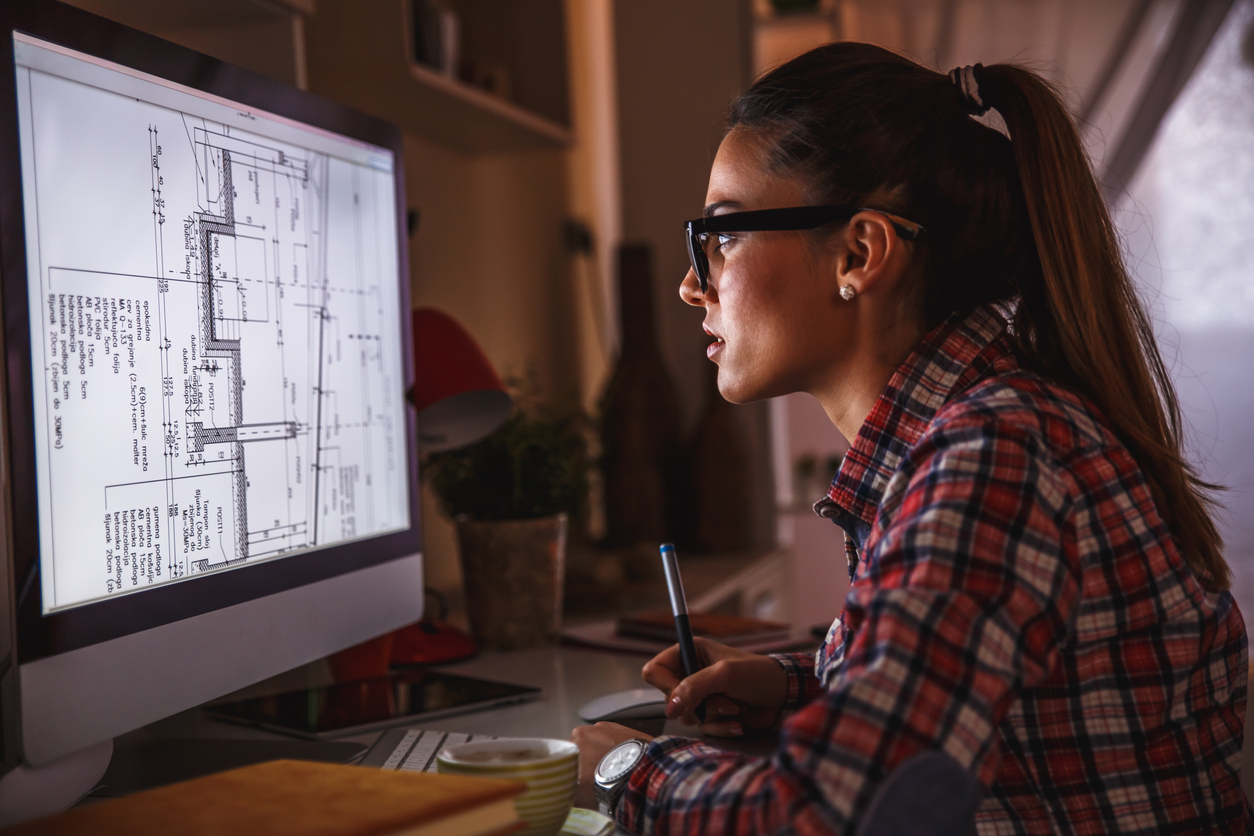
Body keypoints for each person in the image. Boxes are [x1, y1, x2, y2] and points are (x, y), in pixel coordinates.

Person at [571, 43, 1251, 835]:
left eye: (721, 236)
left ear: (858, 254)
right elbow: (980, 691)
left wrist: (626, 768)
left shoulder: (992, 458)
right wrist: (807, 684)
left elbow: (829, 815)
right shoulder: (988, 427)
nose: (695, 282)